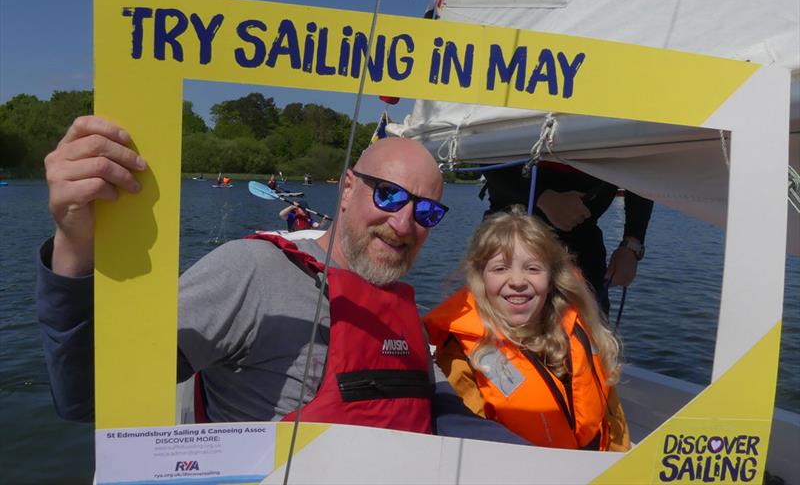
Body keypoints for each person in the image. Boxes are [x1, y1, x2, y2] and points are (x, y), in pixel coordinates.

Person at [36, 116, 527, 443]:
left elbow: (439, 407)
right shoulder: (253, 271)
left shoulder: (402, 311)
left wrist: (541, 466)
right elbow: (88, 394)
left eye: (426, 211)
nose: (404, 224)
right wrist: (73, 246)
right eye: (390, 197)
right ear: (348, 187)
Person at [424, 206, 630, 451]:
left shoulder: (580, 332)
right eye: (500, 268)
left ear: (551, 277)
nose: (518, 281)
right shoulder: (461, 355)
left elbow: (614, 422)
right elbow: (469, 441)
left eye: (533, 268)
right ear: (481, 278)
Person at [482, 162, 653, 317]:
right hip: (507, 233)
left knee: (590, 331)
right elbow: (483, 153)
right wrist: (544, 197)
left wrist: (632, 244)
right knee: (495, 329)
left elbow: (641, 165)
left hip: (581, 240)